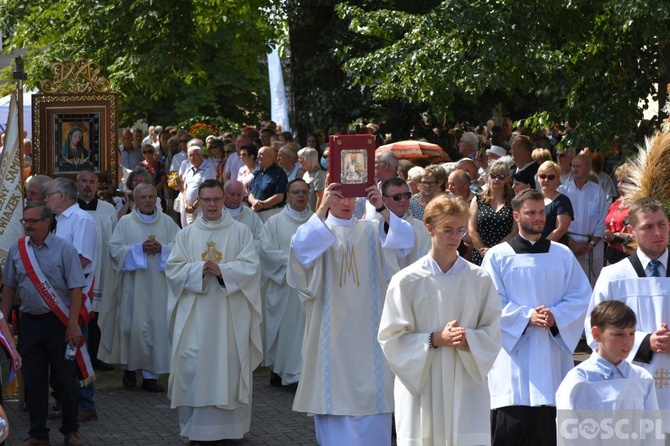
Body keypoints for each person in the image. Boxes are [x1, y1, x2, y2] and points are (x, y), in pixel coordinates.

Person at [287, 182, 415, 445]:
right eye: (338, 198)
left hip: (369, 338)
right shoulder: (319, 232)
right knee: (333, 405)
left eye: (351, 198)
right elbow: (299, 253)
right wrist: (320, 210)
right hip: (330, 335)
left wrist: (381, 207)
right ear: (327, 199)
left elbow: (406, 242)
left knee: (374, 404)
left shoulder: (372, 229)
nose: (346, 204)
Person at [378, 195, 502, 445]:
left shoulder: (479, 279)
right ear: (429, 228)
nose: (455, 237)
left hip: (466, 380)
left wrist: (469, 338)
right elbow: (390, 339)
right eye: (447, 230)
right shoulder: (407, 281)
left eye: (459, 230)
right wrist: (435, 339)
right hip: (423, 382)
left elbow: (493, 331)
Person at [481, 189, 591, 446]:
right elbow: (488, 302)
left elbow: (581, 296)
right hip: (512, 361)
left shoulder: (562, 254)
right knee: (511, 430)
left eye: (542, 212)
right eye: (531, 212)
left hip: (552, 356)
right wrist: (527, 316)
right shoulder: (498, 256)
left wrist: (556, 315)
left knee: (549, 432)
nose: (539, 218)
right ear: (517, 216)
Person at [165, 180, 262, 444]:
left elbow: (252, 268)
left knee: (228, 366)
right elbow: (173, 270)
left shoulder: (241, 232)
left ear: (224, 201)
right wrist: (197, 270)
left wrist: (224, 271)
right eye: (206, 199)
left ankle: (231, 430)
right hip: (196, 316)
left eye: (216, 199)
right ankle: (197, 430)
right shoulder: (186, 234)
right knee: (194, 366)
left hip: (230, 316)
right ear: (198, 201)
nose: (211, 205)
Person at [2, 202, 85, 446]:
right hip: (29, 324)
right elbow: (9, 288)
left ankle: (70, 431)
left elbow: (76, 288)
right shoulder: (17, 250)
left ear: (47, 222)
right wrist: (3, 322)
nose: (27, 225)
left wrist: (72, 324)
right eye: (24, 221)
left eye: (33, 221)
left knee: (65, 380)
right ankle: (38, 434)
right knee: (34, 381)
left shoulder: (65, 249)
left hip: (58, 323)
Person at [586, 197, 670, 412]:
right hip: (629, 384)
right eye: (648, 227)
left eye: (662, 224)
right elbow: (593, 331)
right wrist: (644, 342)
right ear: (632, 230)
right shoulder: (614, 276)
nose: (658, 233)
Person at [98, 183, 180, 392]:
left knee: (156, 329)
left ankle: (151, 377)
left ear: (156, 198)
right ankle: (129, 368)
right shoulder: (125, 223)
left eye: (151, 196)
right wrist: (137, 250)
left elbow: (181, 249)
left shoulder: (168, 222)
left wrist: (163, 249)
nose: (147, 201)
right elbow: (115, 251)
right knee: (131, 327)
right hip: (133, 286)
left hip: (160, 288)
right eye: (143, 197)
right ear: (135, 199)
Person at [45, 178, 98, 423]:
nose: (46, 200)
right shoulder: (59, 222)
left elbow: (82, 260)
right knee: (65, 352)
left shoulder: (82, 220)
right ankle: (70, 401)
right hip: (60, 294)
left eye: (49, 195)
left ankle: (86, 403)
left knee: (77, 348)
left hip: (75, 294)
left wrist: (50, 273)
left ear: (62, 196)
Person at [259, 179, 313, 386]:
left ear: (308, 195)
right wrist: (293, 261)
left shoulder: (318, 221)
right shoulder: (274, 222)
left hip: (310, 286)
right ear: (288, 195)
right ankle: (280, 369)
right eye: (295, 192)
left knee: (304, 331)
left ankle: (299, 374)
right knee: (284, 330)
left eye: (303, 192)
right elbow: (265, 250)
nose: (300, 196)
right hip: (284, 286)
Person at [556, 301, 657, 411]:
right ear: (596, 334)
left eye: (632, 333)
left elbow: (652, 424)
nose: (627, 341)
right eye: (619, 334)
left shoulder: (642, 378)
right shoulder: (578, 380)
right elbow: (567, 426)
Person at [76, 169, 117, 372]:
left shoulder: (108, 210)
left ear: (97, 186)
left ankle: (96, 355)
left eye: (91, 182)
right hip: (78, 270)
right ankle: (78, 354)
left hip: (102, 268)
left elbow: (115, 240)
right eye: (83, 181)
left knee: (99, 313)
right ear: (77, 185)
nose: (87, 186)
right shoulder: (70, 209)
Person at [559, 153, 607, 285]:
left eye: (578, 166)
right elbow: (558, 222)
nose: (574, 169)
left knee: (593, 284)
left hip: (593, 249)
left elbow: (603, 220)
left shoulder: (598, 191)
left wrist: (591, 244)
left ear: (588, 168)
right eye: (573, 166)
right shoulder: (563, 191)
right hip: (569, 246)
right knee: (570, 284)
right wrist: (572, 244)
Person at [469, 160, 517, 266]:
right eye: (493, 175)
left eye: (501, 176)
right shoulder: (478, 199)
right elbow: (472, 230)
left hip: (504, 255)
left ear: (508, 178)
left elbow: (514, 232)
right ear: (488, 176)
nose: (496, 179)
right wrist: (484, 251)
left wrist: (493, 251)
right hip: (480, 254)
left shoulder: (514, 201)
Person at [379, 177, 431, 272]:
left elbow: (427, 259)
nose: (403, 200)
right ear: (384, 200)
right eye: (397, 197)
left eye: (407, 195)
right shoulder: (374, 227)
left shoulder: (422, 227)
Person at [602, 162, 633, 264]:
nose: (619, 185)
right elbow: (609, 223)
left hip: (629, 255)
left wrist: (621, 236)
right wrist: (607, 232)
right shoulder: (616, 203)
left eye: (624, 182)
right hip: (612, 253)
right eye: (618, 181)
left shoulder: (638, 203)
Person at [537, 161, 573, 246]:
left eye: (551, 177)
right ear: (538, 178)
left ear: (557, 179)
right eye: (542, 176)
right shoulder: (533, 199)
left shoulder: (563, 201)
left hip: (554, 249)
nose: (546, 180)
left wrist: (541, 246)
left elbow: (561, 229)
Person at [248, 146, 288, 222]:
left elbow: (279, 196)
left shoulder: (279, 173)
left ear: (270, 157)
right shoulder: (258, 172)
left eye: (261, 154)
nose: (258, 156)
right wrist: (254, 202)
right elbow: (251, 193)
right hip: (255, 213)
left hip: (272, 214)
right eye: (258, 154)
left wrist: (262, 205)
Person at [139, 143, 167, 212]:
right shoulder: (140, 166)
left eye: (150, 152)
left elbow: (163, 180)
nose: (147, 154)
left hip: (159, 194)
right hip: (144, 195)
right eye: (145, 152)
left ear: (153, 152)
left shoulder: (160, 164)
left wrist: (153, 191)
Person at [298, 147, 326, 212]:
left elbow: (320, 198)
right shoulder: (305, 174)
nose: (299, 160)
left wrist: (317, 217)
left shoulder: (319, 174)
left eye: (301, 158)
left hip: (314, 214)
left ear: (309, 159)